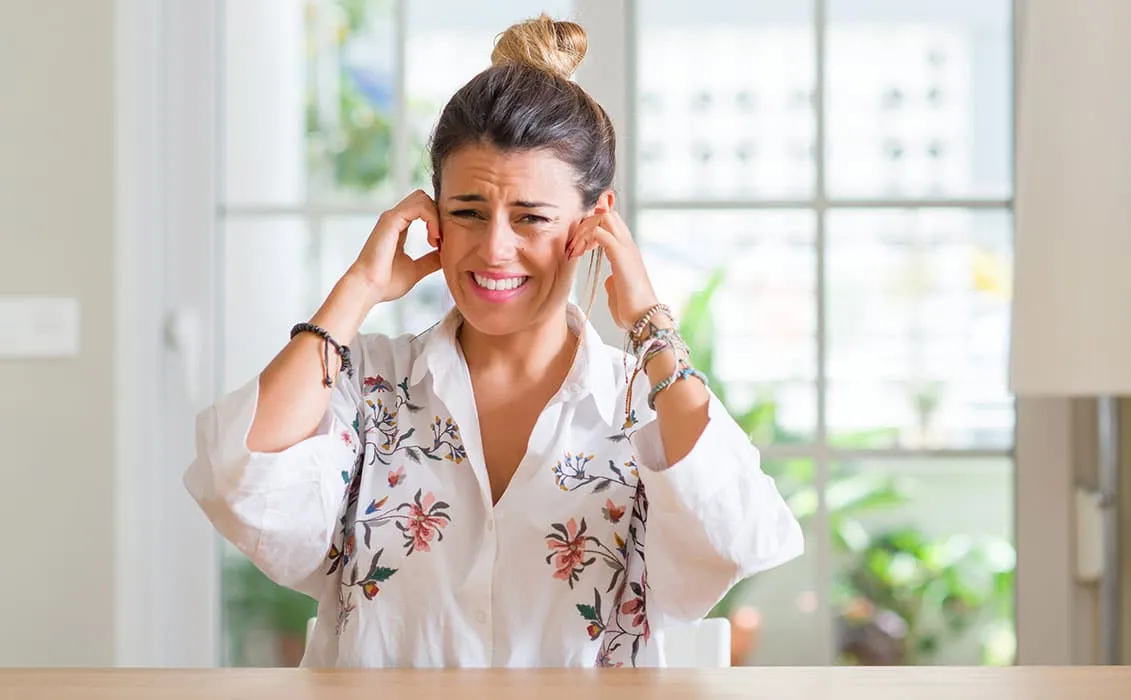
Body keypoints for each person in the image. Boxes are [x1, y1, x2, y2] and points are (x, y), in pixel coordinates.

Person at [185, 14, 803, 668]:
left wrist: (649, 318)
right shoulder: (365, 382)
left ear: (596, 223)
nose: (494, 249)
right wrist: (360, 286)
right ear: (433, 214)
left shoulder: (648, 403)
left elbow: (739, 538)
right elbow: (239, 475)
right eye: (468, 213)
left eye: (531, 218)